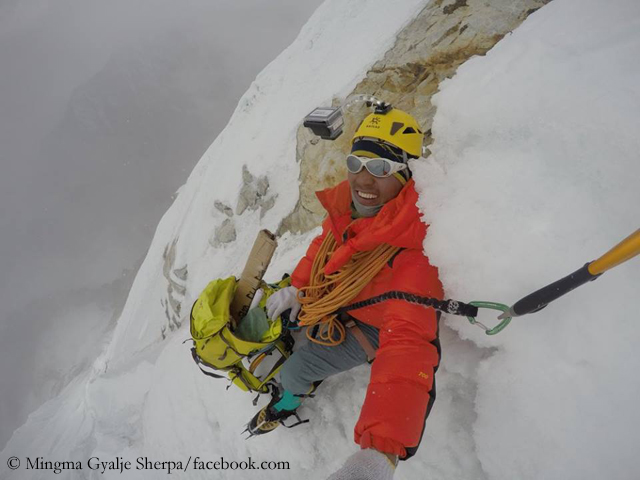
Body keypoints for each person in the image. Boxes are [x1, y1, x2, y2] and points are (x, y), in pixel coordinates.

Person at [248, 107, 443, 479]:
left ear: (406, 174)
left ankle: (287, 401)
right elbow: (324, 246)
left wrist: (379, 454)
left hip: (372, 327)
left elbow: (409, 342)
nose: (364, 180)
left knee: (296, 369)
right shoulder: (349, 209)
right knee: (282, 331)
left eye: (382, 168)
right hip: (341, 301)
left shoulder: (415, 248)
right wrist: (297, 288)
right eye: (357, 163)